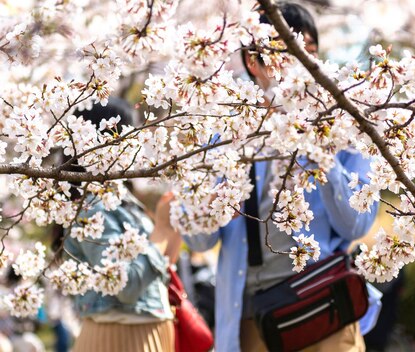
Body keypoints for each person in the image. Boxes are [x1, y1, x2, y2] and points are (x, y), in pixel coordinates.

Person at [184, 3, 379, 351]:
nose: (302, 66)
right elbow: (199, 243)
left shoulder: (345, 127)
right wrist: (211, 196)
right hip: (253, 321)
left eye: (311, 54)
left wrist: (323, 153)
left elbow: (357, 226)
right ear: (252, 63)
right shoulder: (225, 135)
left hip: (325, 309)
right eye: (286, 54)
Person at [62, 98, 181, 352]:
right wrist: (160, 230)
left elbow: (163, 267)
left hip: (149, 330)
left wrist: (177, 223)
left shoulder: (121, 198)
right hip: (119, 336)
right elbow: (124, 285)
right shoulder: (92, 206)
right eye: (129, 135)